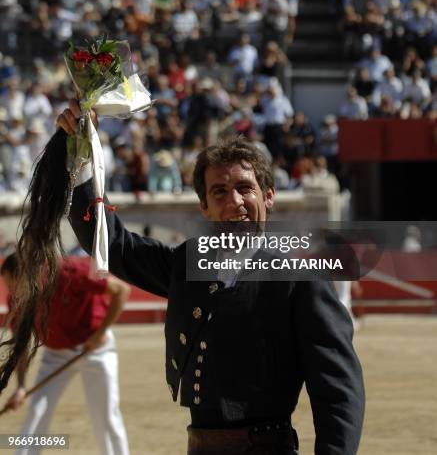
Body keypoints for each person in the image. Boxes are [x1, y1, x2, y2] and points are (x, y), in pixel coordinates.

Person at [58, 101, 365, 455]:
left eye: (245, 188)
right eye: (219, 191)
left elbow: (338, 392)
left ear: (269, 196)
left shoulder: (300, 281)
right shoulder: (188, 263)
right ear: (204, 206)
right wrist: (81, 150)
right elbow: (111, 244)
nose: (234, 201)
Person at [1, 254, 130, 455]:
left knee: (105, 416)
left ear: (30, 276)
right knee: (37, 411)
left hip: (96, 349)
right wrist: (20, 387)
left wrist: (100, 333)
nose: (13, 294)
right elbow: (21, 344)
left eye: (15, 286)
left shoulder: (69, 272)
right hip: (55, 353)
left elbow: (122, 290)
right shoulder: (17, 300)